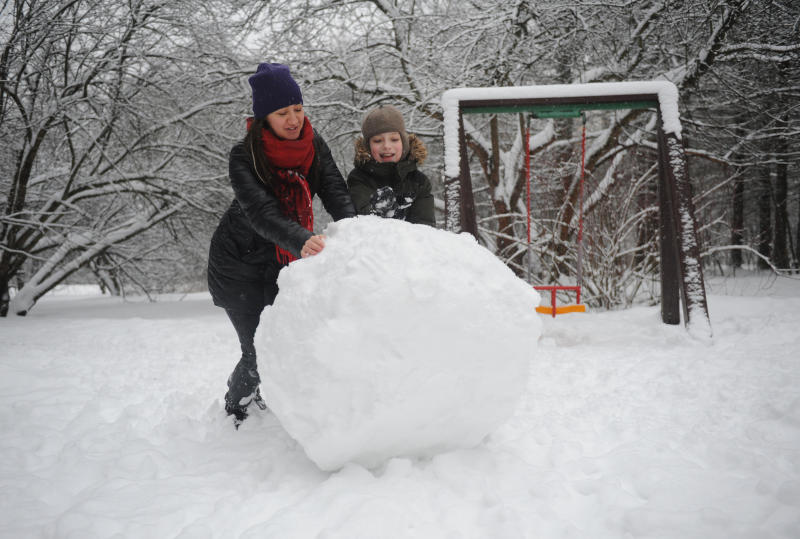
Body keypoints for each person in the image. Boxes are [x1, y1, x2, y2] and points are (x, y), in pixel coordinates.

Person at [207, 63, 355, 426]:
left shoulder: (312, 142)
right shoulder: (244, 156)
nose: (293, 119)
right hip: (237, 266)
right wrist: (301, 239)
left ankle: (269, 398)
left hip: (281, 261)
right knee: (257, 350)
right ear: (263, 118)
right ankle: (235, 408)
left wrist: (355, 227)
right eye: (282, 113)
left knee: (284, 341)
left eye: (298, 110)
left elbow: (333, 187)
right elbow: (260, 212)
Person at [347, 105, 435, 226]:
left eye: (394, 139)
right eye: (378, 141)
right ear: (368, 146)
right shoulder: (359, 178)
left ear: (404, 142)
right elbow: (364, 219)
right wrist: (383, 209)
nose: (387, 146)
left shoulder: (419, 181)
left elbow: (425, 226)